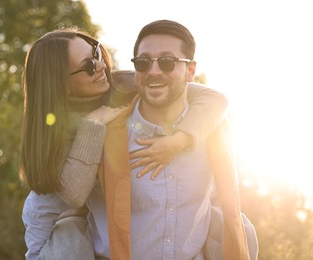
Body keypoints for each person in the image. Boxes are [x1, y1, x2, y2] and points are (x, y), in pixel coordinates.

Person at [20, 29, 229, 260]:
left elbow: (214, 98)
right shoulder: (57, 134)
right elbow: (63, 198)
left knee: (234, 225)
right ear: (62, 83)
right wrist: (93, 124)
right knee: (67, 237)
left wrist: (178, 141)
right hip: (100, 242)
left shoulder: (125, 83)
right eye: (88, 66)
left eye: (97, 53)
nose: (101, 66)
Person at [85, 20, 259, 259]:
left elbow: (222, 204)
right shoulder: (104, 133)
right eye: (144, 63)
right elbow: (53, 204)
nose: (154, 71)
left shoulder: (214, 134)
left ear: (190, 70)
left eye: (168, 62)